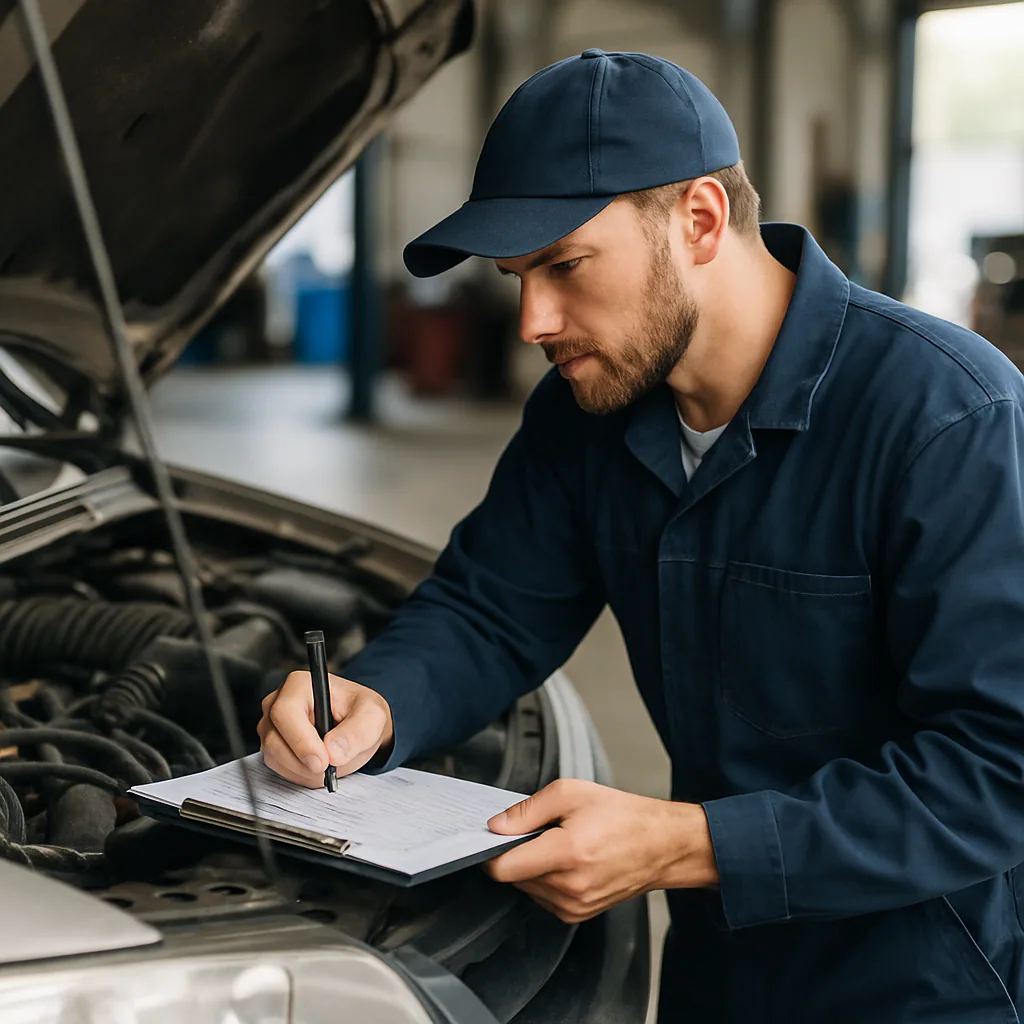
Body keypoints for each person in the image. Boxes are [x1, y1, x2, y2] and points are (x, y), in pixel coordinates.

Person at [257, 50, 1024, 1022]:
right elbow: (490, 607)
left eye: (565, 266)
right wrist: (376, 698)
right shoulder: (588, 413)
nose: (533, 319)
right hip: (717, 963)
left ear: (699, 219)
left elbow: (999, 767)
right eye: (516, 276)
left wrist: (684, 844)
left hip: (924, 981)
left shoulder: (943, 416)